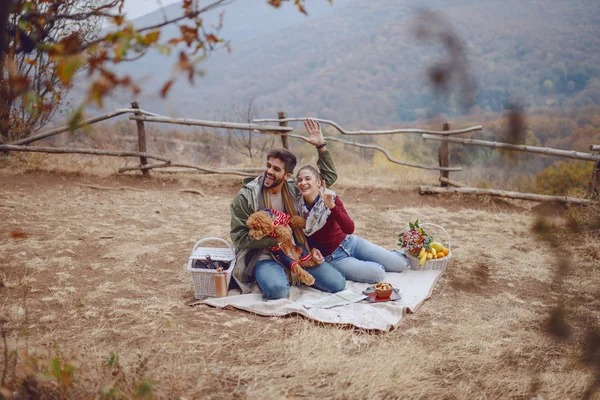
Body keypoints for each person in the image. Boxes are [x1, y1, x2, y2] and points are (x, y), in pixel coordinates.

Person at [230, 119, 346, 299]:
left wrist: (321, 146)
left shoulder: (295, 188)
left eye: (276, 169)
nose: (269, 171)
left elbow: (328, 177)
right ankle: (274, 274)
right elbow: (238, 237)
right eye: (268, 166)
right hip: (264, 254)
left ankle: (289, 271)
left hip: (297, 249)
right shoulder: (247, 196)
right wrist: (274, 240)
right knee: (277, 291)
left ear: (287, 176)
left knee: (337, 284)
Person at [295, 165, 408, 284]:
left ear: (318, 182)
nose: (303, 183)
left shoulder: (330, 197)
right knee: (378, 273)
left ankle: (398, 254)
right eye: (300, 180)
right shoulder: (296, 208)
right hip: (335, 258)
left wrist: (332, 207)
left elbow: (349, 228)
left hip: (351, 242)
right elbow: (301, 236)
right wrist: (312, 249)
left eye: (307, 179)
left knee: (400, 264)